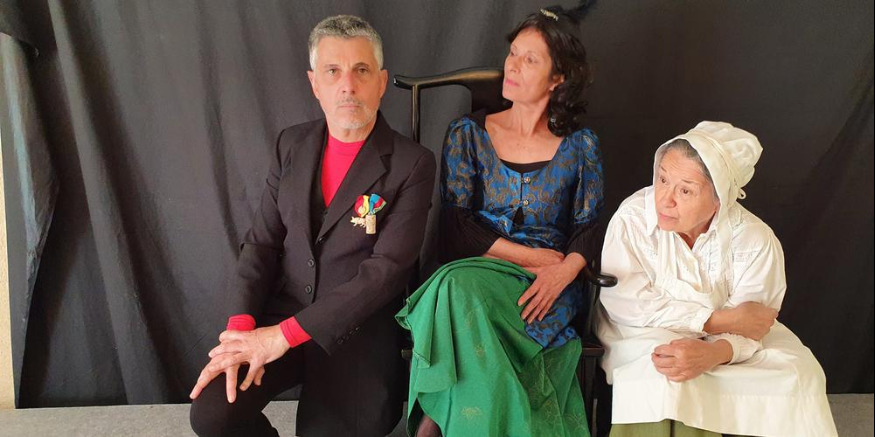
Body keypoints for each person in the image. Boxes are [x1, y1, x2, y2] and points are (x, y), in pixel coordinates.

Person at [188, 15, 436, 437]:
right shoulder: (291, 144)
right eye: (332, 71)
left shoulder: (413, 163)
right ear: (314, 83)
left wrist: (284, 336)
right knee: (214, 414)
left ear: (381, 82)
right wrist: (239, 333)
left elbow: (385, 273)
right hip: (281, 313)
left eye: (361, 70)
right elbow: (262, 245)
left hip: (355, 332)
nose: (347, 85)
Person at [396, 6, 602, 437]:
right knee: (456, 286)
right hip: (481, 269)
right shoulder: (466, 134)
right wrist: (534, 258)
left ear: (558, 77)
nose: (513, 65)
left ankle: (433, 424)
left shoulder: (580, 145)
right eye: (513, 53)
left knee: (452, 294)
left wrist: (563, 270)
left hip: (549, 288)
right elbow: (456, 228)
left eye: (530, 59)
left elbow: (589, 225)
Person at [597, 121, 838, 437]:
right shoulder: (633, 218)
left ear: (720, 198)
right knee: (665, 375)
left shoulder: (755, 240)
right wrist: (717, 320)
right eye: (662, 179)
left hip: (732, 340)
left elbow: (754, 324)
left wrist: (717, 352)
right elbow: (628, 305)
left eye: (685, 190)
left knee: (800, 373)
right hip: (643, 331)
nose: (665, 199)